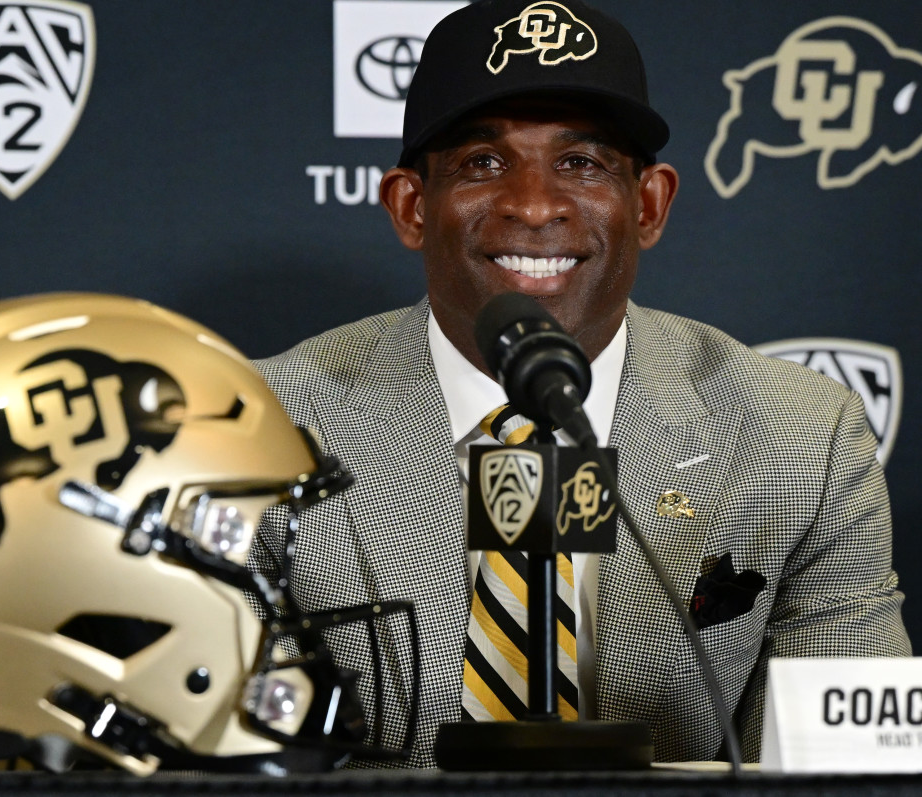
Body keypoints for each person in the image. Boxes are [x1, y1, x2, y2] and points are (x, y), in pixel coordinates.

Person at [252, 0, 909, 767]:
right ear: (410, 207)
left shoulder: (803, 436)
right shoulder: (265, 425)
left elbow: (855, 762)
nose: (534, 204)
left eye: (582, 163)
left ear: (650, 204)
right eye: (483, 163)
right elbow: (219, 759)